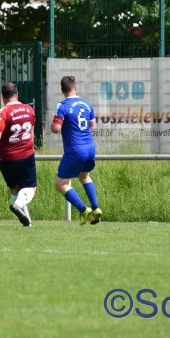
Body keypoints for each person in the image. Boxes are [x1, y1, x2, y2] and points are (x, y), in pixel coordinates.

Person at [50, 76, 102, 226]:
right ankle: (96, 208)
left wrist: (53, 127)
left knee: (61, 183)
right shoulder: (86, 104)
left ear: (62, 90)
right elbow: (93, 126)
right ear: (75, 88)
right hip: (90, 148)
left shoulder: (62, 105)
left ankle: (83, 210)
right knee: (84, 176)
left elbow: (56, 128)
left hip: (75, 149)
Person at [0, 83, 37, 227]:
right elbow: (31, 133)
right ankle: (19, 205)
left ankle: (27, 222)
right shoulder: (29, 109)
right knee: (31, 188)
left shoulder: (1, 113)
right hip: (25, 155)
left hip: (6, 158)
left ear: (3, 97)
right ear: (17, 94)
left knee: (15, 188)